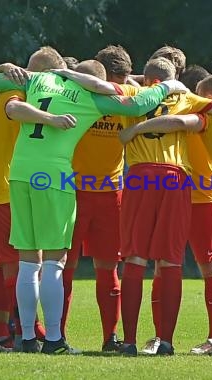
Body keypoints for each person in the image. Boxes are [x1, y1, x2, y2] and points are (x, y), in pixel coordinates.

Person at [0, 49, 187, 355]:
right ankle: (54, 340)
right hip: (58, 178)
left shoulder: (38, 80)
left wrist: (4, 65)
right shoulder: (91, 98)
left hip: (22, 172)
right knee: (55, 262)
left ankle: (27, 338)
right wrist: (167, 85)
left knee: (29, 262)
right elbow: (137, 103)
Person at [116, 59, 212, 357]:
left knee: (136, 259)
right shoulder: (184, 97)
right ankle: (165, 341)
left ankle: (128, 341)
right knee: (170, 261)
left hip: (140, 175)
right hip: (176, 177)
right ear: (173, 78)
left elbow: (100, 85)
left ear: (147, 78)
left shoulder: (131, 93)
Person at [0, 49, 62, 352]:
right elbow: (15, 110)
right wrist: (52, 119)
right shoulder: (16, 95)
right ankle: (17, 334)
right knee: (18, 266)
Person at [61, 46, 135, 352]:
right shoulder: (73, 97)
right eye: (118, 78)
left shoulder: (128, 98)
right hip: (74, 191)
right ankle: (56, 335)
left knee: (107, 268)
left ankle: (110, 338)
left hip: (108, 193)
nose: (120, 85)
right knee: (63, 265)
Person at [178, 64, 212, 355]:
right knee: (166, 264)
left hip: (202, 196)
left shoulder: (201, 113)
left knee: (210, 266)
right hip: (181, 194)